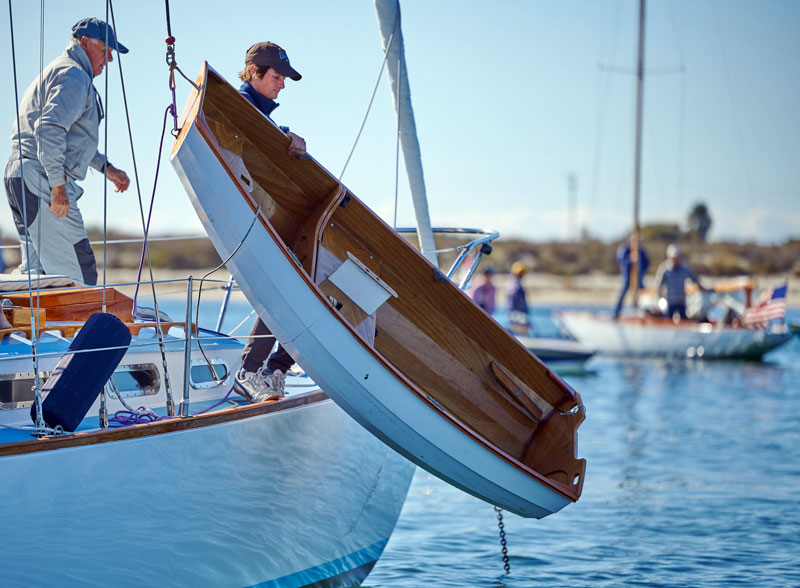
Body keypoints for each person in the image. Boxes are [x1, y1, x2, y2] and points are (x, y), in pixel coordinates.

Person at [4, 18, 130, 285]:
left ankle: (38, 328)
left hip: (20, 173)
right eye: (105, 49)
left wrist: (107, 168)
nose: (108, 58)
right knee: (78, 274)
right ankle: (81, 327)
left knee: (37, 275)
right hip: (40, 177)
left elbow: (70, 139)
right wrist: (58, 188)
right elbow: (49, 129)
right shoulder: (74, 75)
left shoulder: (60, 70)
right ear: (84, 43)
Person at [234, 42, 306, 403]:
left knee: (304, 288)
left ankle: (275, 368)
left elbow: (259, 134)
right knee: (284, 289)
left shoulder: (258, 114)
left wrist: (286, 134)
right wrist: (283, 136)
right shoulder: (238, 106)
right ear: (254, 72)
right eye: (277, 77)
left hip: (266, 218)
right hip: (248, 219)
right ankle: (251, 371)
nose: (282, 85)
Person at [655, 243, 706, 320]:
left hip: (681, 302)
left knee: (684, 320)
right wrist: (659, 299)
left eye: (676, 257)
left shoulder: (684, 269)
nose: (675, 260)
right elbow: (658, 284)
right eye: (673, 258)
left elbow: (694, 278)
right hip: (670, 302)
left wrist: (701, 287)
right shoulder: (665, 269)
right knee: (668, 320)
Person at [613, 235, 650, 318]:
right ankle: (616, 313)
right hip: (628, 277)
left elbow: (647, 263)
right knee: (623, 294)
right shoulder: (625, 250)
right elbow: (622, 261)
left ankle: (644, 313)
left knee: (643, 294)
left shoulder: (641, 251)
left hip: (639, 277)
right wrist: (631, 259)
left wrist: (642, 271)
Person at [507, 261, 530, 335]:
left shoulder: (514, 284)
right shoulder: (514, 285)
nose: (521, 276)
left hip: (518, 313)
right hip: (517, 314)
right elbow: (514, 301)